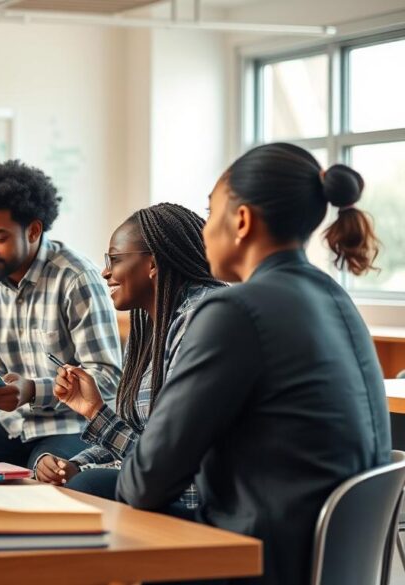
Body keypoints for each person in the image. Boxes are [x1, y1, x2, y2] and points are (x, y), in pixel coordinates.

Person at [100, 143, 388, 585]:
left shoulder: (233, 312)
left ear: (241, 221)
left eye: (210, 212)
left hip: (251, 560)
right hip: (327, 565)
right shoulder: (336, 298)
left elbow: (143, 484)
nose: (203, 231)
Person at [0, 160, 123, 469]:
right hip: (17, 426)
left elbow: (109, 378)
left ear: (33, 230)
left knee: (45, 471)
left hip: (78, 428)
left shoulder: (75, 278)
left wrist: (32, 390)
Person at [40, 203, 223, 516]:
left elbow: (165, 463)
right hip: (160, 483)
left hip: (194, 499)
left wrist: (97, 414)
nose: (105, 272)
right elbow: (141, 441)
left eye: (114, 259)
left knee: (84, 489)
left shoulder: (199, 320)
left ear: (152, 264)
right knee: (67, 480)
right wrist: (75, 464)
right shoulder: (149, 325)